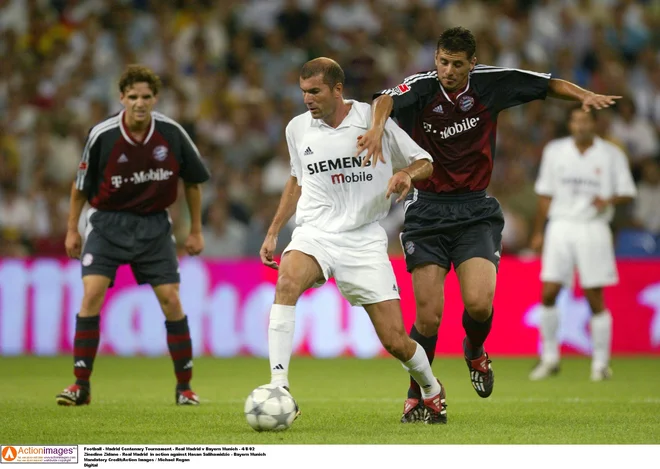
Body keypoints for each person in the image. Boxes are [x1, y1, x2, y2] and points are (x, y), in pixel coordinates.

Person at [357, 26, 621, 422]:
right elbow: (383, 100)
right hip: (427, 211)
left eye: (457, 64)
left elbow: (546, 85)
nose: (447, 70)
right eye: (443, 62)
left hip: (475, 211)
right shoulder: (422, 88)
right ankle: (419, 393)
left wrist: (583, 95)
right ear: (436, 59)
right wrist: (377, 127)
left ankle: (474, 350)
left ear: (471, 64)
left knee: (479, 305)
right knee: (428, 317)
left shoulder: (491, 84)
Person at [260, 57, 447, 424]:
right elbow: (296, 180)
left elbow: (425, 161)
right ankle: (279, 387)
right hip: (316, 231)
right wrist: (273, 230)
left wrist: (407, 174)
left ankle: (431, 389)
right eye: (303, 92)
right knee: (286, 282)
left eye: (314, 92)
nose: (307, 100)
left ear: (337, 90)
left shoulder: (372, 121)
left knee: (395, 340)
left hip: (363, 239)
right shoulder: (297, 129)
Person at [55, 65, 211, 406]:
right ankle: (80, 385)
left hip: (154, 226)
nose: (140, 103)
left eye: (146, 96)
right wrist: (71, 229)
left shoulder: (171, 133)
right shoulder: (103, 135)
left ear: (155, 98)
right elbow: (80, 186)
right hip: (107, 224)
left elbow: (193, 181)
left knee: (170, 299)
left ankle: (184, 388)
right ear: (122, 98)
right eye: (133, 97)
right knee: (92, 294)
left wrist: (196, 229)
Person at [529, 107, 636, 381]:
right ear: (571, 123)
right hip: (561, 225)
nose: (580, 125)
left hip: (593, 226)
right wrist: (539, 231)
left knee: (594, 295)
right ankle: (549, 357)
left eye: (585, 121)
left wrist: (608, 199)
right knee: (549, 291)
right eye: (575, 120)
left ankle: (600, 363)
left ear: (594, 124)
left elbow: (626, 192)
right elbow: (545, 194)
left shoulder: (611, 154)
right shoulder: (555, 150)